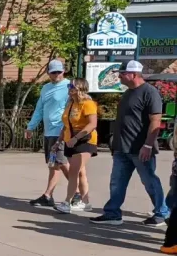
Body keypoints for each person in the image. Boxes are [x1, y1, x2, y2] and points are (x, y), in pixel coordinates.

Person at [93, 60, 169, 226]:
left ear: (133, 74)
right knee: (116, 182)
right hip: (122, 148)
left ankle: (161, 213)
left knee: (149, 181)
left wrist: (148, 145)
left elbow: (155, 121)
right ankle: (112, 213)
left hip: (140, 148)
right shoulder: (127, 93)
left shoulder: (149, 92)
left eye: (121, 73)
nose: (119, 76)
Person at [26, 60, 71, 208]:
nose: (57, 74)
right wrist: (30, 127)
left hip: (61, 131)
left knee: (61, 162)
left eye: (59, 71)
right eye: (54, 72)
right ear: (49, 73)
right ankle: (48, 196)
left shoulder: (69, 87)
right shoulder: (45, 88)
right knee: (54, 164)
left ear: (63, 71)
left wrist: (68, 129)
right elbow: (39, 109)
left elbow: (74, 109)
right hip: (48, 132)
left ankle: (77, 192)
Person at [53, 79, 98, 214]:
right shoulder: (71, 103)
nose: (69, 88)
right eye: (69, 86)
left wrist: (76, 138)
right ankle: (86, 202)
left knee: (73, 171)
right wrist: (59, 141)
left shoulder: (88, 103)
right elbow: (66, 125)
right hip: (69, 141)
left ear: (80, 88)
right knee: (80, 172)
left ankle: (67, 202)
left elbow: (92, 124)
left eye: (72, 86)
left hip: (84, 140)